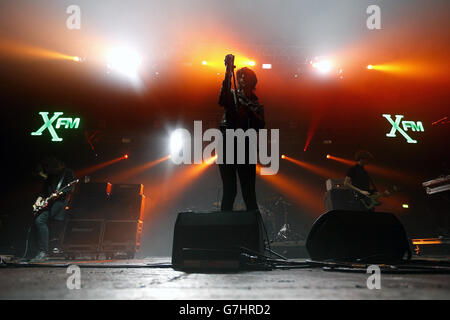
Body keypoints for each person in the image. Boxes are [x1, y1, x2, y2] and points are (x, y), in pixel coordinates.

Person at [217, 54, 265, 211]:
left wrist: (248, 111)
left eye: (246, 77)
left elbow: (260, 125)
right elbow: (222, 100)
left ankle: (255, 231)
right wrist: (228, 72)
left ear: (252, 81)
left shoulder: (257, 105)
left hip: (246, 147)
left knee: (249, 193)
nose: (242, 79)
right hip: (228, 144)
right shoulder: (231, 95)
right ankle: (224, 230)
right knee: (229, 191)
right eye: (240, 76)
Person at [31, 157, 75, 261]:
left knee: (45, 221)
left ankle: (47, 250)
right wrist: (39, 199)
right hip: (49, 203)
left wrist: (60, 193)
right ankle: (42, 250)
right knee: (39, 221)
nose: (51, 167)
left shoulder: (68, 173)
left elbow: (70, 187)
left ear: (61, 164)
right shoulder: (51, 175)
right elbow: (44, 191)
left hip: (60, 202)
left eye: (54, 164)